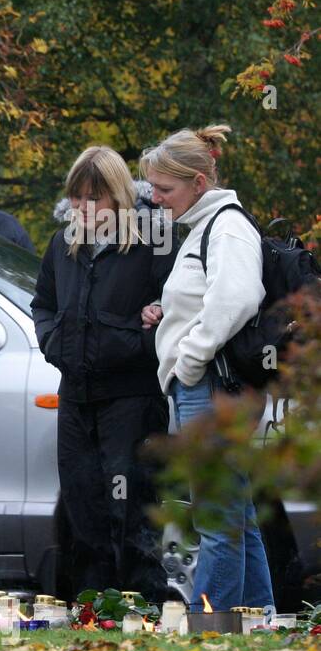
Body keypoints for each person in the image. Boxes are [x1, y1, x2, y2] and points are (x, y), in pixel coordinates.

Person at [31, 147, 175, 602]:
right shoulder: (62, 244)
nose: (83, 208)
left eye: (94, 198)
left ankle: (145, 608)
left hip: (131, 397)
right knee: (81, 507)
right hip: (75, 397)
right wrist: (56, 343)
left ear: (118, 198)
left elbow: (175, 308)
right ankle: (90, 607)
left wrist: (139, 343)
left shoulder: (154, 242)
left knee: (133, 511)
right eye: (76, 198)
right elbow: (44, 305)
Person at [141, 124, 273, 612]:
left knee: (217, 519)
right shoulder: (206, 226)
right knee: (237, 517)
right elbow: (206, 298)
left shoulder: (227, 225)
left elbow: (236, 299)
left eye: (164, 189)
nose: (155, 199)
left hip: (210, 387)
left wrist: (189, 360)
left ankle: (209, 628)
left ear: (198, 182)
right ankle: (257, 622)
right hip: (207, 387)